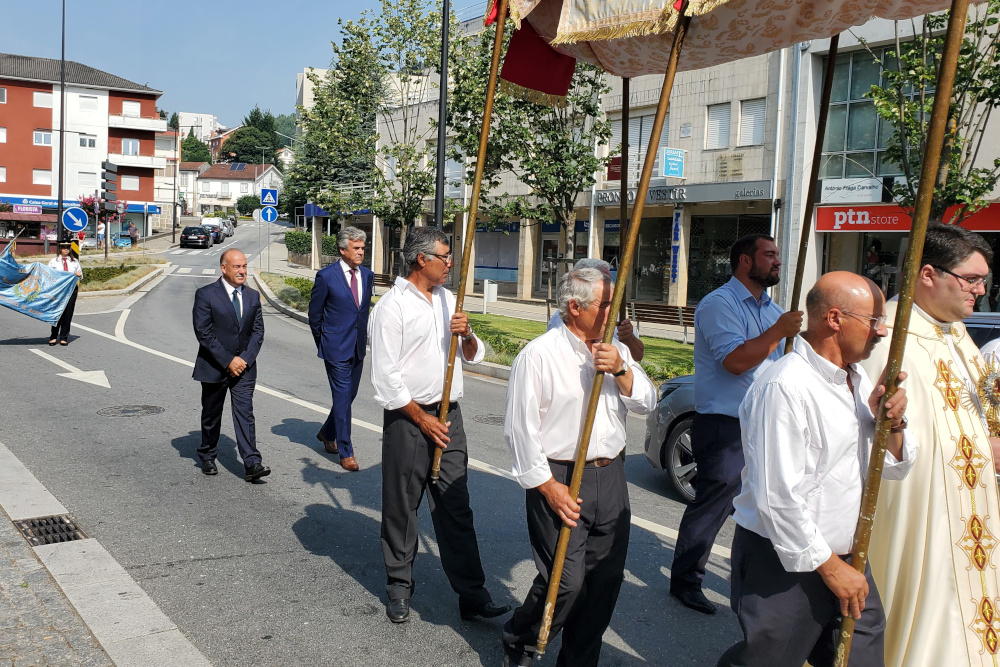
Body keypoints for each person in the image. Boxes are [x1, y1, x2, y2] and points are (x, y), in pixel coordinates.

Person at [718, 271, 914, 667]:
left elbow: (889, 469)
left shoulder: (857, 382)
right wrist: (830, 568)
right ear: (835, 319)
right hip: (785, 562)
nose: (881, 332)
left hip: (848, 556)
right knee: (768, 660)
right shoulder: (786, 385)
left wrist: (889, 424)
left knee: (860, 655)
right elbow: (777, 498)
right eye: (874, 321)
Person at [501, 267, 657, 667]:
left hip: (610, 475)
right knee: (567, 582)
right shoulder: (538, 356)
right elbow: (521, 433)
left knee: (605, 581)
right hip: (560, 476)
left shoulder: (613, 350)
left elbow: (647, 402)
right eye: (606, 305)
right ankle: (521, 635)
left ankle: (578, 660)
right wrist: (549, 488)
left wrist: (621, 368)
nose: (612, 313)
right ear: (575, 307)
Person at [860, 223, 1000, 667]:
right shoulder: (888, 341)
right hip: (925, 509)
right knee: (931, 605)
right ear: (927, 274)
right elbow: (872, 435)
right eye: (971, 279)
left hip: (974, 505)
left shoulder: (959, 335)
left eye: (984, 280)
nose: (980, 290)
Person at [368, 227, 509, 624]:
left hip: (449, 415)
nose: (451, 263)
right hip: (409, 418)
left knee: (455, 505)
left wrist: (466, 336)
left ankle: (472, 594)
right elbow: (385, 378)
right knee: (402, 505)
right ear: (421, 260)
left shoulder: (450, 300)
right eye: (444, 256)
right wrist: (422, 419)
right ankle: (399, 586)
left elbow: (474, 354)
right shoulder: (391, 308)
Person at [670, 234, 802, 614]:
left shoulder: (771, 310)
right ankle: (685, 580)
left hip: (766, 424)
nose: (777, 262)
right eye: (770, 255)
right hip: (726, 425)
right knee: (714, 505)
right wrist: (779, 331)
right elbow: (735, 362)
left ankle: (761, 582)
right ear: (745, 261)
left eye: (778, 254)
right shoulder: (719, 305)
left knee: (768, 506)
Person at [192, 248, 269, 483]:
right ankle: (207, 454)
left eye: (244, 266)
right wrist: (228, 360)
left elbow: (258, 332)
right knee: (212, 414)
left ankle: (252, 463)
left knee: (245, 413)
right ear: (224, 268)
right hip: (215, 366)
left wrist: (243, 359)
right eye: (237, 267)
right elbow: (203, 333)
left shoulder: (252, 296)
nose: (242, 271)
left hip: (244, 367)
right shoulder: (206, 295)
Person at [308, 226, 373, 471]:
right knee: (343, 396)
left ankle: (326, 432)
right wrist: (325, 343)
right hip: (335, 348)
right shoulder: (326, 276)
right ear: (342, 250)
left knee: (349, 395)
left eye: (363, 248)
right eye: (356, 248)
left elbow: (362, 312)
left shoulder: (367, 275)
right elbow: (315, 315)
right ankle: (345, 450)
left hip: (357, 347)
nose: (360, 252)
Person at [544, 258, 644, 361]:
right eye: (603, 280)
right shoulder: (560, 322)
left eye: (609, 280)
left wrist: (628, 338)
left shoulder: (613, 315)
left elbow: (638, 356)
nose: (609, 286)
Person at [47, 242, 82, 346]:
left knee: (68, 313)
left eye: (68, 248)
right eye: (64, 248)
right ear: (60, 249)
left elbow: (80, 274)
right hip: (58, 290)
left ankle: (64, 337)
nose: (66, 250)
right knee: (57, 313)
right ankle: (53, 336)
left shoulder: (74, 261)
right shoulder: (54, 261)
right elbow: (48, 274)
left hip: (71, 290)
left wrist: (78, 274)